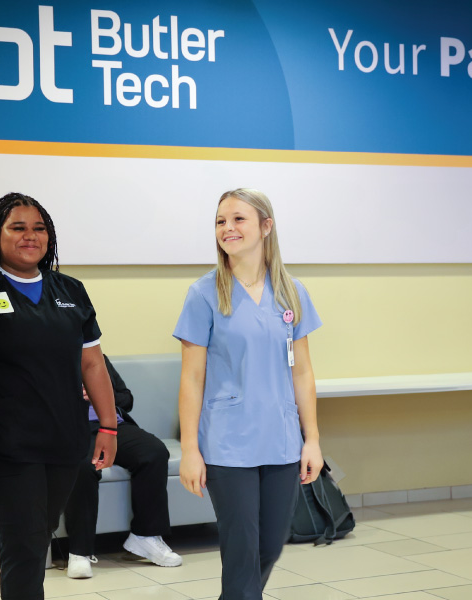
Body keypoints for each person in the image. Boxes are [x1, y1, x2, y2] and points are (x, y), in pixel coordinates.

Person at [0, 192, 118, 600]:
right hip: (6, 445)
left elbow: (92, 365)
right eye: (18, 227)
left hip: (64, 442)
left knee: (37, 539)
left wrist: (109, 426)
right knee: (24, 549)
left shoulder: (71, 291)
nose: (31, 236)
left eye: (39, 228)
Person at [174, 188, 323, 600]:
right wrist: (190, 448)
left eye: (238, 219)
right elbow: (191, 380)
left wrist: (312, 440)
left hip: (280, 439)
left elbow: (304, 371)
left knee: (271, 544)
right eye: (221, 221)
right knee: (241, 552)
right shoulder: (204, 294)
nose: (228, 228)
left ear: (265, 226)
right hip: (228, 443)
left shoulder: (291, 293)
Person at [63, 355, 182, 578]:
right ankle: (79, 551)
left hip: (111, 426)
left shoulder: (95, 357)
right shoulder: (42, 358)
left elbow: (126, 399)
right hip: (70, 430)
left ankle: (145, 537)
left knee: (154, 451)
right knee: (81, 465)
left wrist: (101, 394)